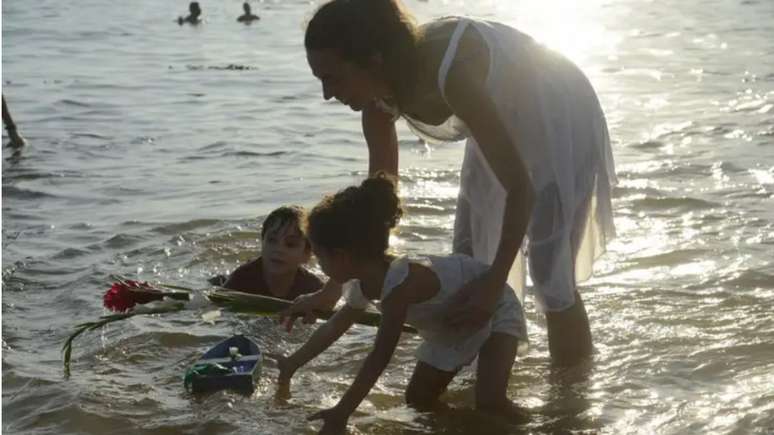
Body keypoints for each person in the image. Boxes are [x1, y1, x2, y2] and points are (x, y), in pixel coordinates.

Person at [283, 0, 617, 366]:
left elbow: (521, 189)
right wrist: (335, 288)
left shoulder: (452, 73)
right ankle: (487, 381)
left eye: (332, 77)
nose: (327, 94)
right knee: (469, 259)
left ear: (373, 59)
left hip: (556, 108)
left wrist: (493, 285)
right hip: (497, 119)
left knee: (550, 270)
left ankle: (570, 403)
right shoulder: (376, 105)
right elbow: (375, 209)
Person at [278, 174, 527, 434]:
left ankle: (540, 426)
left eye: (319, 256)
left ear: (341, 256)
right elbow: (334, 326)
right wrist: (293, 363)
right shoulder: (361, 281)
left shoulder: (399, 287)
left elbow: (380, 356)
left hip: (493, 305)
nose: (317, 264)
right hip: (449, 324)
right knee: (419, 399)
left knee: (491, 402)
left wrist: (342, 411)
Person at [211, 206, 325, 301]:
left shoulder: (312, 287)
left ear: (306, 254)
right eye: (272, 240)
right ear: (262, 243)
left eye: (290, 244)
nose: (278, 249)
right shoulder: (242, 279)